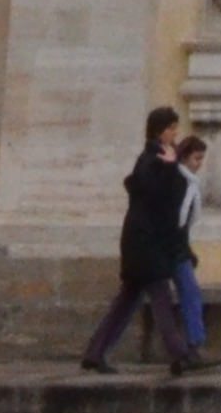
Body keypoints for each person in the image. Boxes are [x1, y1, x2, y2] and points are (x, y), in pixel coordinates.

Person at [78, 108, 197, 375]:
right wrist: (169, 167)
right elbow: (156, 197)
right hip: (145, 244)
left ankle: (95, 353)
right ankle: (180, 354)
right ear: (159, 131)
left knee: (126, 300)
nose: (175, 133)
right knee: (161, 298)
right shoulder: (152, 160)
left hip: (139, 243)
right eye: (171, 128)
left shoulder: (155, 159)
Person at [171, 129, 212, 364]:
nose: (199, 164)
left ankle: (190, 348)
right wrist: (185, 250)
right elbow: (178, 220)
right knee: (190, 293)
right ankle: (192, 347)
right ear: (185, 158)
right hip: (174, 250)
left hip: (178, 249)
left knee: (188, 294)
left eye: (201, 159)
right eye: (196, 159)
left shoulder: (189, 182)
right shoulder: (181, 182)